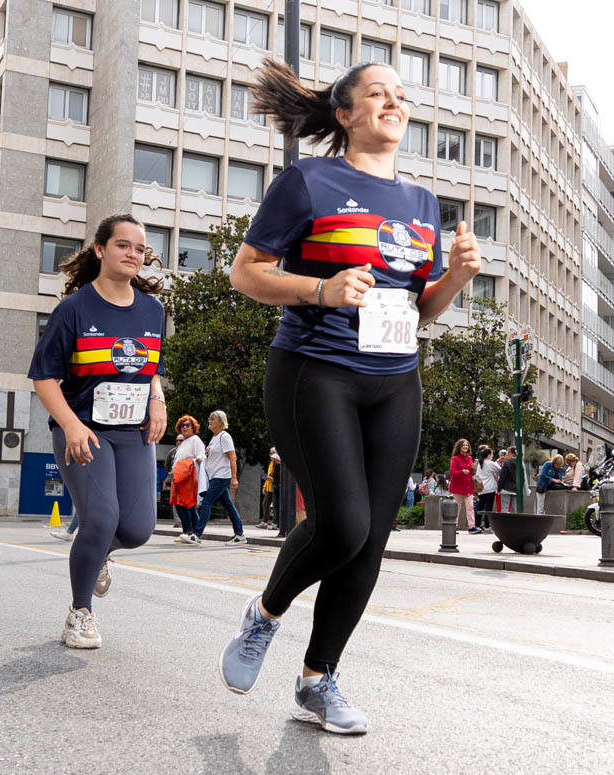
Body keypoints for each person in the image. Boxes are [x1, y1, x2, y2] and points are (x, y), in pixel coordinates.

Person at [217, 57, 481, 735]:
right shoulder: (307, 182)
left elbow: (418, 310)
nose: (394, 102)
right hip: (315, 370)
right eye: (377, 93)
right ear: (345, 114)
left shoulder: (422, 203)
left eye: (401, 94)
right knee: (341, 526)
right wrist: (321, 290)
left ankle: (317, 681)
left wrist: (453, 278)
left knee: (369, 545)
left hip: (395, 381)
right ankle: (265, 614)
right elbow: (246, 274)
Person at [28, 212, 167, 649]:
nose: (132, 254)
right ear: (101, 250)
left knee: (138, 529)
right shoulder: (74, 309)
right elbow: (44, 376)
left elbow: (151, 367)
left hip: (132, 431)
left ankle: (99, 552)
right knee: (101, 518)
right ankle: (80, 612)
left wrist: (157, 398)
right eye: (123, 245)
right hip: (83, 430)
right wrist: (70, 424)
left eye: (140, 248)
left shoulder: (153, 310)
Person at [186, 410, 245, 545]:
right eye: (210, 418)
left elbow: (232, 458)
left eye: (212, 419)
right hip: (214, 476)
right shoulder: (214, 438)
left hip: (222, 476)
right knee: (229, 506)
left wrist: (234, 478)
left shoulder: (225, 437)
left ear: (220, 422)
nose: (209, 420)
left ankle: (197, 534)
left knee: (206, 502)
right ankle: (240, 535)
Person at [169, 415, 207, 541]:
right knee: (185, 506)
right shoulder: (184, 442)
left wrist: (199, 459)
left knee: (184, 505)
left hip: (188, 477)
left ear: (193, 427)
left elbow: (201, 454)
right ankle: (190, 533)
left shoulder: (195, 439)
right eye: (182, 425)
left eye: (187, 425)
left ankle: (191, 533)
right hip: (180, 477)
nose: (184, 427)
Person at [449, 438, 478, 533]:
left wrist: (473, 468)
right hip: (457, 486)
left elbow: (470, 472)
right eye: (463, 445)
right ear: (459, 447)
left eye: (466, 445)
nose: (465, 446)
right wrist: (462, 471)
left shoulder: (470, 458)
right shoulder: (455, 458)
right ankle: (454, 526)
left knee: (470, 507)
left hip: (468, 486)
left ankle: (472, 527)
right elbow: (452, 472)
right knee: (457, 507)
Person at [474, 445, 501, 531]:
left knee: (480, 507)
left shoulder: (480, 463)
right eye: (492, 454)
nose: (492, 456)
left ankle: (477, 524)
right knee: (488, 508)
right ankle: (487, 525)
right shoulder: (491, 463)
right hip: (490, 489)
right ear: (489, 455)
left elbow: (477, 475)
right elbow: (500, 471)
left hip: (481, 489)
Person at [256, 448, 280, 529]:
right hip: (269, 487)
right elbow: (269, 475)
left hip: (275, 487)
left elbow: (275, 477)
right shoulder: (270, 463)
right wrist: (264, 487)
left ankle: (275, 523)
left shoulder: (277, 463)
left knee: (275, 506)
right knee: (265, 504)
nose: (271, 455)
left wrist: (269, 478)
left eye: (273, 453)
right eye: (270, 453)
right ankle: (265, 522)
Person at [497, 445, 520, 513]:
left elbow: (502, 477)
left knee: (505, 508)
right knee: (515, 509)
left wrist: (499, 489)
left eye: (507, 453)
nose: (507, 455)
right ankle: (515, 523)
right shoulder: (520, 463)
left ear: (511, 453)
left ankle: (505, 523)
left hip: (505, 489)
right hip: (515, 489)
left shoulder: (507, 463)